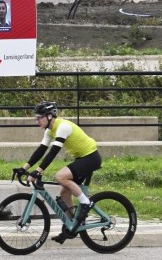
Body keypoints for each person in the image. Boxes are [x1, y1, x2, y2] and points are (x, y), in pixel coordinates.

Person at [19, 101, 102, 244]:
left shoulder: (62, 127)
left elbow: (53, 152)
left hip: (91, 157)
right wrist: (24, 168)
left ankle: (86, 203)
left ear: (50, 116)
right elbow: (41, 151)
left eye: (40, 117)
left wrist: (38, 171)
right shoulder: (49, 130)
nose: (37, 121)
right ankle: (74, 225)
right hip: (81, 158)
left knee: (60, 176)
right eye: (36, 118)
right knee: (64, 192)